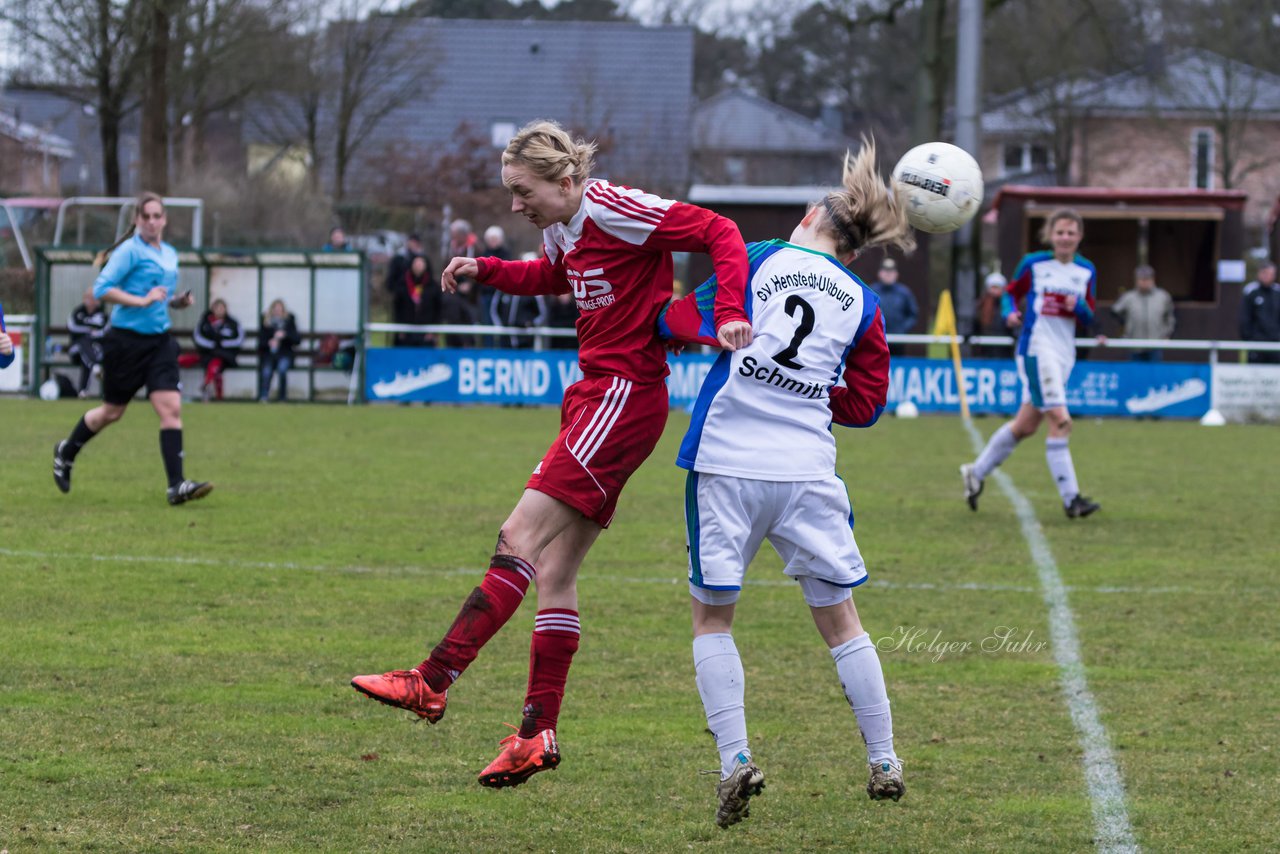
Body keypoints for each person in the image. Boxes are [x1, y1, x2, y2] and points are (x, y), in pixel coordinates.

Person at [350, 118, 752, 789]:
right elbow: (553, 275)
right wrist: (488, 269)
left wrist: (730, 308)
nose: (514, 204)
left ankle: (432, 679)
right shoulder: (562, 224)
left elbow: (719, 232)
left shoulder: (618, 209)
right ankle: (536, 734)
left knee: (519, 536)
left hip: (621, 396)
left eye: (522, 190)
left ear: (567, 181)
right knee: (557, 571)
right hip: (599, 395)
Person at [657, 141, 909, 828]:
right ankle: (884, 760)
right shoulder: (862, 300)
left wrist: (671, 323)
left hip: (728, 462)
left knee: (712, 618)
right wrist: (807, 389)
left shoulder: (762, 255)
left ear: (808, 216)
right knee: (842, 622)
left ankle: (736, 758)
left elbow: (681, 321)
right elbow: (864, 404)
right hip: (805, 473)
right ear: (853, 251)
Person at [51, 192, 212, 506]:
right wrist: (140, 300)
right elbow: (101, 289)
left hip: (159, 341)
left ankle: (176, 486)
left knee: (171, 408)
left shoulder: (170, 254)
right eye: (146, 216)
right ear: (138, 220)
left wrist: (176, 302)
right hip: (124, 343)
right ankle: (66, 451)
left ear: (164, 219)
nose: (152, 222)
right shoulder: (129, 251)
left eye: (157, 216)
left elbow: (159, 295)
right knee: (112, 412)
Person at [960, 208, 1100, 519]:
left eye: (1071, 232)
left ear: (1079, 237)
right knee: (1061, 422)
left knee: (1025, 427)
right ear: (1050, 235)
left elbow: (1090, 316)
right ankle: (1071, 499)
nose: (1065, 238)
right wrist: (1009, 311)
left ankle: (975, 472)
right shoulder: (1035, 264)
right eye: (1060, 232)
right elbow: (1011, 293)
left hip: (1064, 353)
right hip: (1037, 350)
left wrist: (1077, 306)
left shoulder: (1086, 271)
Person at [1110, 264, 1174, 361]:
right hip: (1134, 344)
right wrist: (1124, 327)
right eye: (1141, 279)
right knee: (1134, 374)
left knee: (1155, 374)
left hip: (1156, 345)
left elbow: (1169, 317)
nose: (1144, 282)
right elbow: (1115, 311)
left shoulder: (1163, 296)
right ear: (1136, 280)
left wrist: (1167, 334)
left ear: (1153, 279)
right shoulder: (1129, 297)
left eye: (1147, 279)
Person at [192, 298, 245, 400]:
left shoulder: (232, 323)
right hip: (207, 353)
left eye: (222, 308)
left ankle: (207, 385)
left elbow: (240, 339)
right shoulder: (204, 322)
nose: (220, 310)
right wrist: (211, 345)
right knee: (213, 363)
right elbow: (197, 337)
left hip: (226, 356)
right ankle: (214, 394)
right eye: (217, 308)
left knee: (217, 361)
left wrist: (223, 344)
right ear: (213, 309)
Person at [869, 258, 917, 356]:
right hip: (876, 339)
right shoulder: (872, 291)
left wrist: (902, 328)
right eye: (885, 271)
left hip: (898, 342)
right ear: (880, 273)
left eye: (891, 272)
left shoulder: (904, 293)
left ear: (896, 274)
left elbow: (913, 314)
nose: (888, 274)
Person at [391, 254, 441, 347]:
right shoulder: (402, 284)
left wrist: (433, 331)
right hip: (406, 332)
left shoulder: (433, 286)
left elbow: (438, 309)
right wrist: (400, 328)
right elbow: (397, 307)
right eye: (416, 263)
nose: (418, 266)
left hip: (426, 333)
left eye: (421, 263)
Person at [67, 288, 109, 397]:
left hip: (95, 349)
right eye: (89, 298)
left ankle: (83, 391)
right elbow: (72, 327)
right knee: (83, 342)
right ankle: (95, 366)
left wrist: (89, 332)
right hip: (76, 349)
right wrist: (89, 331)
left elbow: (104, 331)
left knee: (86, 358)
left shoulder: (101, 314)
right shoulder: (78, 312)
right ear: (84, 299)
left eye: (94, 299)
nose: (91, 301)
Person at [258, 298, 300, 402]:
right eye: (275, 309)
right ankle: (264, 397)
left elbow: (297, 340)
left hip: (284, 354)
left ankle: (282, 398)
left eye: (279, 309)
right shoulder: (266, 323)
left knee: (282, 369)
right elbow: (260, 343)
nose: (277, 311)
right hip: (269, 355)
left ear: (283, 310)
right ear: (271, 310)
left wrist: (285, 335)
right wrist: (269, 342)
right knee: (266, 371)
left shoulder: (289, 322)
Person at [1239, 261, 1280, 364]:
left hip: (1275, 343)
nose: (1268, 276)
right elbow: (1245, 317)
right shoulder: (1251, 291)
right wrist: (1249, 338)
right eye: (1265, 273)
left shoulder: (1277, 292)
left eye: (1271, 274)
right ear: (1259, 273)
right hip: (1256, 343)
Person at [974, 271, 1013, 358]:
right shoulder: (980, 306)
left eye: (998, 287)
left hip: (1004, 353)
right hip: (985, 353)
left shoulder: (1009, 307)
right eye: (993, 287)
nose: (995, 291)